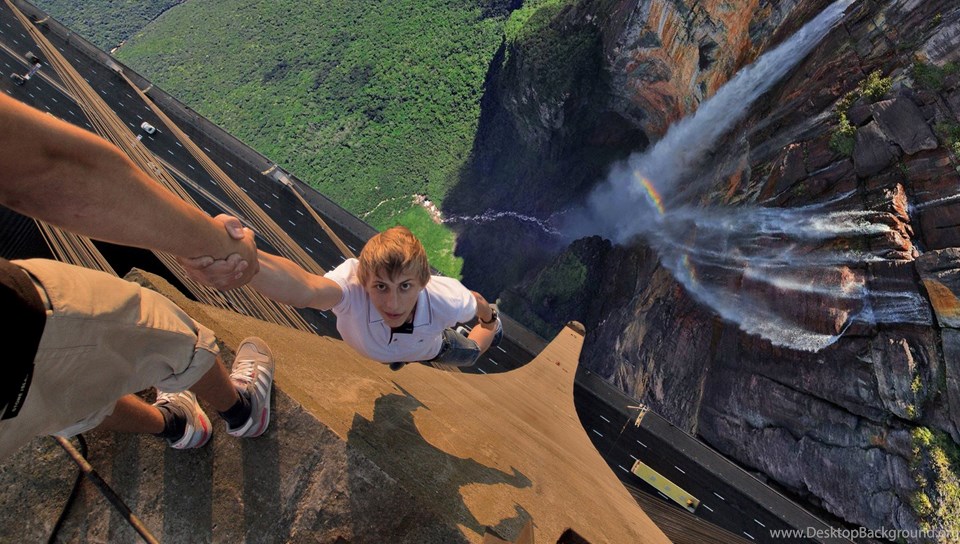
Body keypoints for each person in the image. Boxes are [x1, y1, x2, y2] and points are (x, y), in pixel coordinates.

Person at [0, 93, 274, 460]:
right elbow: (49, 167)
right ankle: (242, 410)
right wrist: (215, 246)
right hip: (17, 326)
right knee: (163, 334)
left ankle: (176, 425)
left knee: (62, 404)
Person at [186, 223, 502, 370]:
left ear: (423, 282)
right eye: (380, 287)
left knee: (471, 353)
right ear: (363, 281)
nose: (392, 304)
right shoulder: (352, 287)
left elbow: (474, 299)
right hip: (402, 349)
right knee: (400, 354)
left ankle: (493, 329)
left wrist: (488, 319)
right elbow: (306, 289)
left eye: (405, 287)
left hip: (433, 348)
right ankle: (398, 357)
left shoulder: (445, 297)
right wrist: (247, 264)